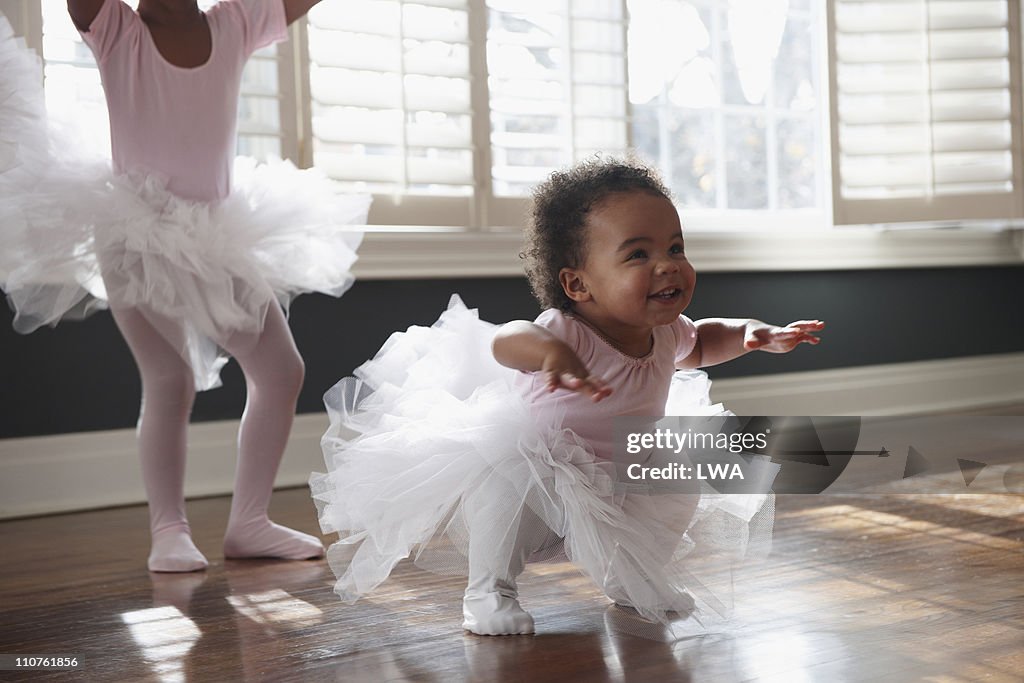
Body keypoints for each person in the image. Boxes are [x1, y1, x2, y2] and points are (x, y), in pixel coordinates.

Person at [311, 158, 823, 635]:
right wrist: (551, 355)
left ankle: (633, 575)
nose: (668, 266)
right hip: (548, 466)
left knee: (686, 466)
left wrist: (756, 334)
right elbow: (507, 339)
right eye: (638, 254)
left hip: (627, 464)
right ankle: (488, 591)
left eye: (676, 248)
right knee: (502, 479)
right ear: (578, 284)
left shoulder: (665, 331)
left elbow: (707, 340)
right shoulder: (567, 330)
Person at [0, 0, 369, 572]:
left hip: (216, 234)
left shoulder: (235, 22)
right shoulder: (117, 28)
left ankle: (249, 521)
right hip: (135, 234)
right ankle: (167, 529)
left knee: (280, 369)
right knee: (169, 377)